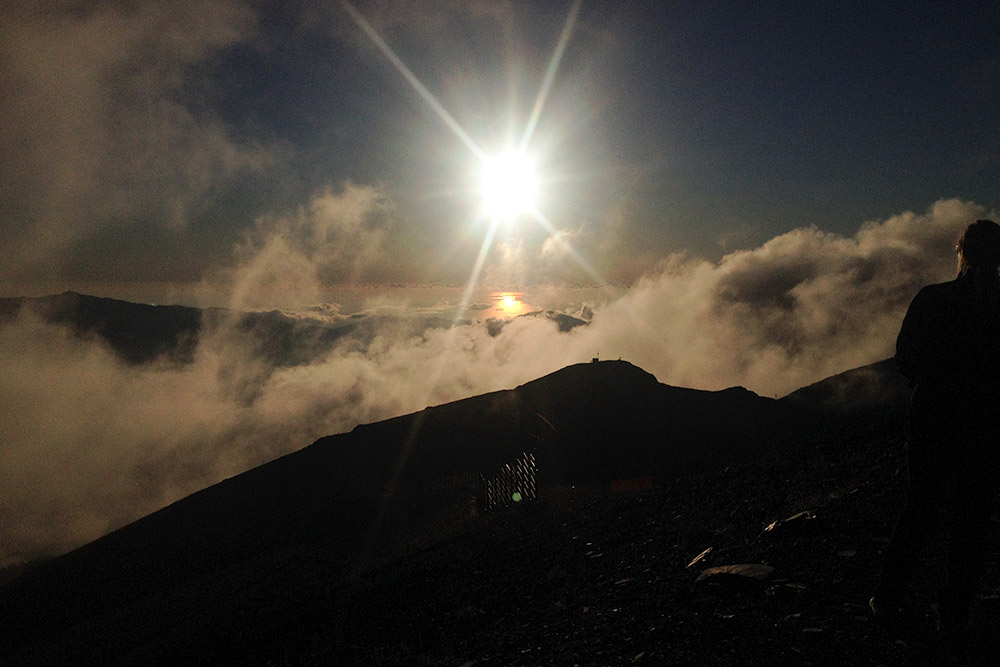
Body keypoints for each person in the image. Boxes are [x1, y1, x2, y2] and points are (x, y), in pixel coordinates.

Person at [872, 219, 1000, 632]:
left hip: (932, 417)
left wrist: (930, 382)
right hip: (985, 423)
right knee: (973, 519)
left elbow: (905, 357)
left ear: (961, 253)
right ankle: (953, 612)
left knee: (920, 508)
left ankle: (889, 600)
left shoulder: (932, 299)